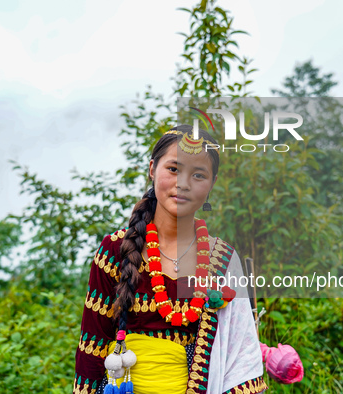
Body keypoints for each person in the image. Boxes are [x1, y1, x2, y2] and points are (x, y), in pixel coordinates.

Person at [73, 125, 267, 394]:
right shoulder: (115, 250)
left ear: (212, 184)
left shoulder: (222, 259)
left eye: (198, 174)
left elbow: (240, 360)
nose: (183, 183)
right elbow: (91, 349)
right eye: (174, 169)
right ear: (153, 169)